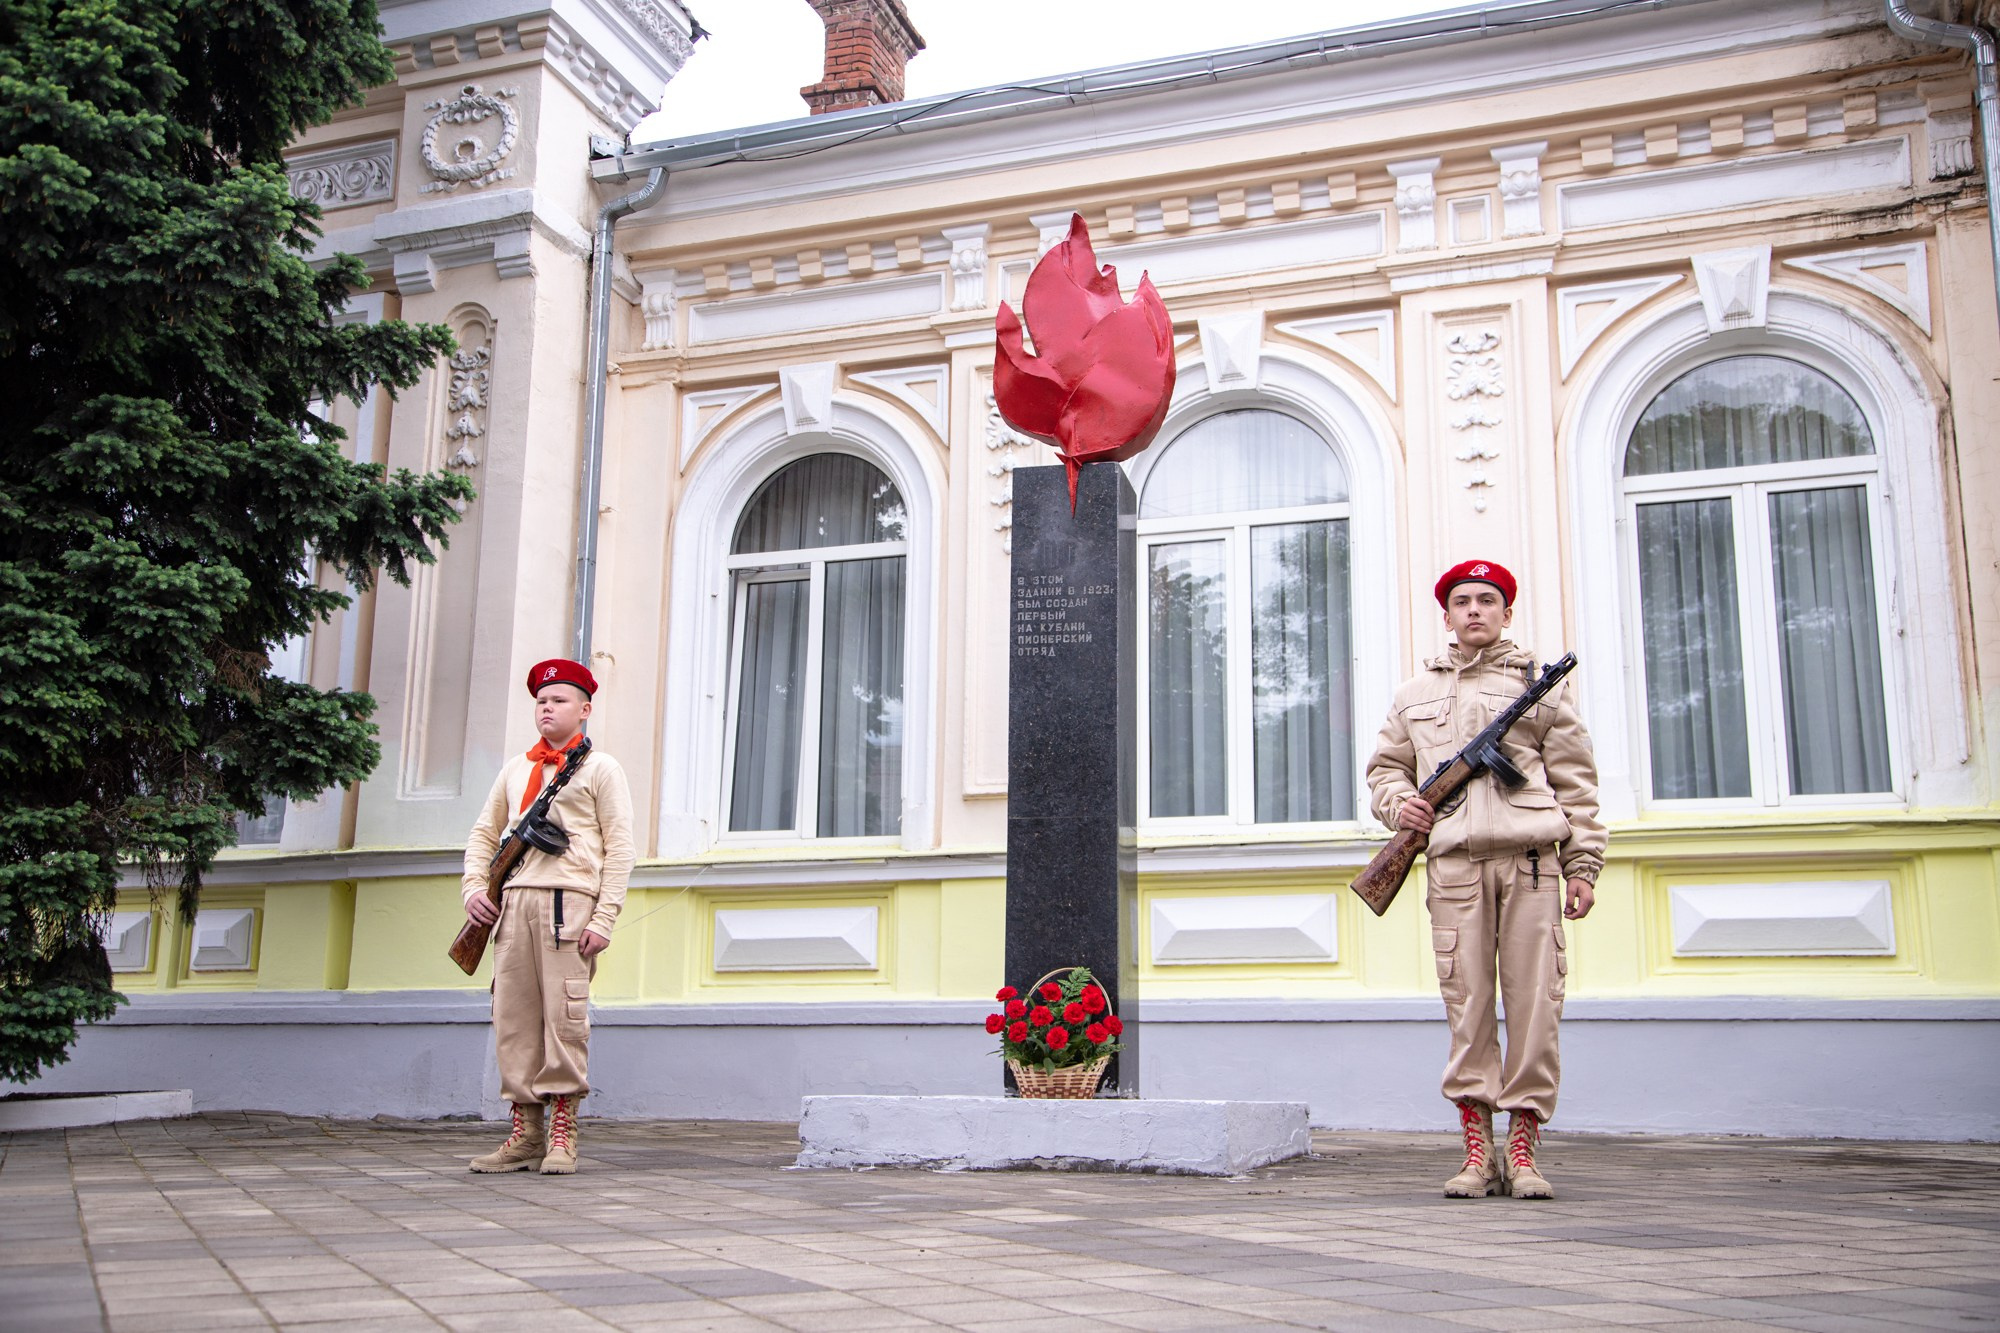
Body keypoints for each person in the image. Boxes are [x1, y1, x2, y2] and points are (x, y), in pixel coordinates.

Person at [1364, 561, 1605, 1199]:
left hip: (1532, 865)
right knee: (1466, 1003)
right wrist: (1401, 806)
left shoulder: (1543, 691)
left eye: (1487, 600)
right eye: (1463, 601)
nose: (1475, 610)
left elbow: (1577, 786)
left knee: (1535, 1006)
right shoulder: (1414, 694)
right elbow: (1385, 768)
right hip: (1453, 866)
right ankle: (1478, 1152)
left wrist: (1583, 864)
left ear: (1506, 613)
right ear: (1446, 615)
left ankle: (1522, 1151)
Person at [462, 658, 634, 1175]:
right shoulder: (516, 769)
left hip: (570, 905)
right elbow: (483, 834)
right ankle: (524, 1133)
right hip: (513, 906)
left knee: (564, 1018)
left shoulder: (601, 768)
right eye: (540, 700)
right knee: (513, 1019)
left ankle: (562, 1133)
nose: (546, 707)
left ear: (584, 709)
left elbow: (621, 847)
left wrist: (604, 918)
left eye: (558, 700)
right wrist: (474, 889)